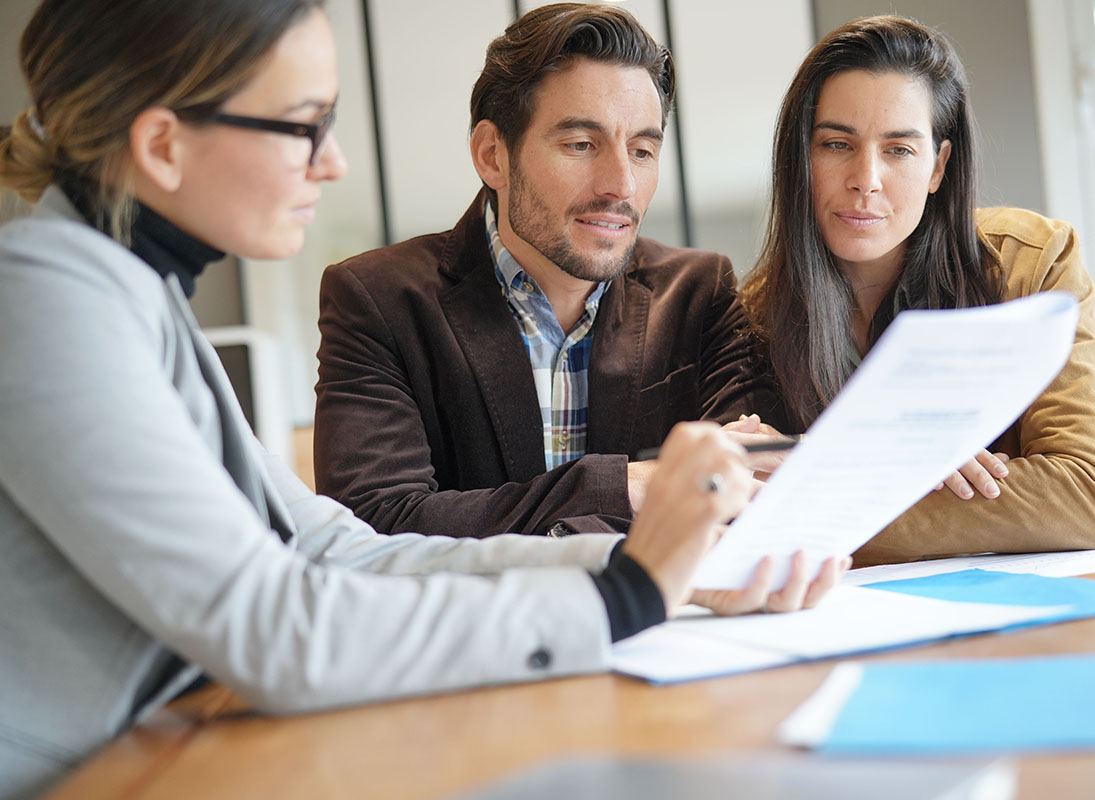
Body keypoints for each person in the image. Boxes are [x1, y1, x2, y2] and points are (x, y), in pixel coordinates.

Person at [0, 2, 845, 797]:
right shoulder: (45, 301)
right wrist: (624, 597)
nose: (330, 161)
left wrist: (657, 573)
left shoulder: (128, 294)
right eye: (303, 125)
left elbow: (340, 550)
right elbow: (279, 626)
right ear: (162, 145)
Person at [312, 3, 786, 539]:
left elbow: (747, 492)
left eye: (643, 149)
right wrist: (634, 486)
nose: (621, 185)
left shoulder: (700, 292)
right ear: (493, 155)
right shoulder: (378, 300)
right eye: (580, 145)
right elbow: (372, 524)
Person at [741, 15, 1095, 565]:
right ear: (801, 159)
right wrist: (906, 470)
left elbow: (1085, 492)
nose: (866, 178)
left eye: (900, 150)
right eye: (837, 144)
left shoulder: (1033, 264)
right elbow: (740, 509)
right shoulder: (751, 313)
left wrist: (836, 485)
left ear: (939, 165)